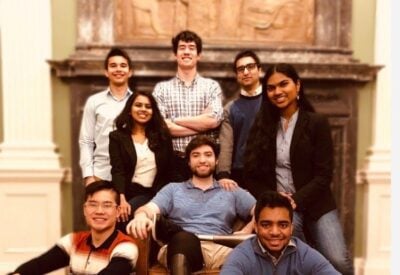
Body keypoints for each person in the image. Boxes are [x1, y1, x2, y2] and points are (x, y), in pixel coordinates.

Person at [243, 63, 353, 274]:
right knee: (298, 260)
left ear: (298, 85)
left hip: (316, 203)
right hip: (278, 206)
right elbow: (251, 174)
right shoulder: (261, 126)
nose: (277, 92)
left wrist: (296, 200)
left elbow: (324, 174)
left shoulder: (317, 123)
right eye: (271, 88)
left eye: (283, 84)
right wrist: (274, 197)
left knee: (337, 259)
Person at [127, 135, 256, 274]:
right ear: (188, 162)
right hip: (179, 246)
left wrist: (248, 228)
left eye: (208, 155)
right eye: (196, 155)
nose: (202, 160)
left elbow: (264, 211)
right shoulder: (173, 189)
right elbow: (148, 209)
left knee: (251, 255)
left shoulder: (231, 190)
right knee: (184, 239)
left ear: (216, 160)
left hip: (219, 248)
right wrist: (140, 216)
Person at [8, 181, 138, 275]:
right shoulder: (74, 241)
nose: (99, 211)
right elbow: (39, 265)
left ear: (118, 211)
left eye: (107, 205)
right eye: (93, 204)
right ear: (85, 209)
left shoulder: (125, 247)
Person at [153, 30, 223, 182]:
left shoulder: (211, 86)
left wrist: (176, 120)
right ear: (175, 54)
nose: (186, 51)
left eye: (191, 48)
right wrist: (202, 125)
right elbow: (161, 126)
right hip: (174, 163)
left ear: (199, 55)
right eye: (182, 47)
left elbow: (214, 121)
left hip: (205, 164)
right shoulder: (161, 89)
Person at [220, 191, 340, 274]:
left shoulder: (304, 254)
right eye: (266, 225)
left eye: (283, 225)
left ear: (291, 228)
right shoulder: (241, 256)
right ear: (255, 226)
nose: (275, 232)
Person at [109, 91, 174, 228]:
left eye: (148, 106)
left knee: (128, 216)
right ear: (129, 110)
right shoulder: (117, 137)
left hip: (153, 193)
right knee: (117, 215)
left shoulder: (163, 136)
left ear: (153, 112)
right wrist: (121, 199)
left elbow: (168, 170)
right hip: (126, 192)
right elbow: (117, 170)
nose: (143, 109)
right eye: (138, 105)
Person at [79, 47, 133, 186]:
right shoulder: (94, 101)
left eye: (123, 65)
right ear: (106, 72)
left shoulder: (138, 102)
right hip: (101, 174)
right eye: (113, 66)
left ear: (130, 72)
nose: (118, 69)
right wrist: (88, 175)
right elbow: (86, 141)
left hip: (132, 175)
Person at [217, 50, 263, 187]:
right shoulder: (230, 108)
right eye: (241, 69)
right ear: (237, 75)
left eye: (250, 67)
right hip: (239, 172)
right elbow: (226, 144)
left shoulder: (272, 101)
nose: (246, 72)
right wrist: (223, 174)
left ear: (259, 70)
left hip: (269, 171)